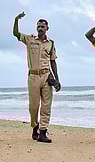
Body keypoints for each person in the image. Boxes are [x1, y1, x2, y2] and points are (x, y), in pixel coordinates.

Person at [13, 12, 61, 143]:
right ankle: (35, 126)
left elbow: (53, 61)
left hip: (46, 75)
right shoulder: (30, 39)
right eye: (38, 26)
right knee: (33, 106)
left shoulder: (51, 43)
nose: (40, 28)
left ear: (47, 28)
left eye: (43, 26)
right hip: (33, 76)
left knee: (46, 106)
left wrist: (57, 79)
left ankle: (43, 132)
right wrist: (16, 20)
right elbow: (16, 34)